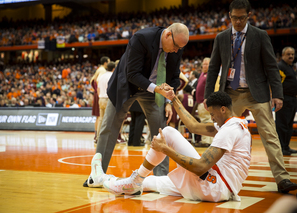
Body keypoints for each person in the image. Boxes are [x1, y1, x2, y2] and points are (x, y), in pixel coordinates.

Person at [203, 0, 297, 193]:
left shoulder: (260, 36)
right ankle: (208, 172)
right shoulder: (221, 38)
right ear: (229, 16)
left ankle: (282, 179)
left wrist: (277, 94)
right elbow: (213, 68)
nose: (238, 22)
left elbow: (271, 66)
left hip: (257, 93)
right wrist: (208, 96)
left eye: (242, 18)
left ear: (249, 16)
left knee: (270, 136)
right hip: (230, 94)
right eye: (234, 18)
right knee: (221, 134)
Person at [90, 91, 251, 202]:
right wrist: (174, 99)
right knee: (150, 182)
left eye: (213, 114)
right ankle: (102, 178)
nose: (212, 118)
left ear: (223, 109)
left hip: (214, 186)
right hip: (220, 188)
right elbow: (193, 126)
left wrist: (165, 149)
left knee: (167, 132)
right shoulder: (235, 125)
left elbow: (201, 167)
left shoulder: (230, 130)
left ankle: (135, 179)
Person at [84, 23, 190, 187]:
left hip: (154, 91)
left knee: (161, 131)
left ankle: (161, 179)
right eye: (176, 46)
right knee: (109, 127)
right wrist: (157, 90)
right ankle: (97, 174)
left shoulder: (178, 46)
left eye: (180, 48)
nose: (177, 50)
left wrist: (168, 100)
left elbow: (175, 77)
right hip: (126, 86)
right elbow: (132, 74)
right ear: (168, 35)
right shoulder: (142, 38)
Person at [276, 47, 297, 156]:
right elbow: (276, 83)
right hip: (283, 99)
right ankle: (281, 147)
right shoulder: (280, 67)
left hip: (292, 99)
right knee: (282, 124)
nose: (291, 56)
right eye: (288, 54)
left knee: (289, 125)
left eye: (292, 54)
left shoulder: (290, 67)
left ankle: (286, 146)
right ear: (283, 55)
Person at [90, 56, 110, 143]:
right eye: (108, 62)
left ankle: (96, 135)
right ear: (105, 62)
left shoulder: (99, 69)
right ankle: (98, 135)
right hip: (100, 95)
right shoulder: (103, 70)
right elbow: (99, 81)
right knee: (100, 116)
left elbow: (92, 81)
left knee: (99, 116)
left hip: (98, 94)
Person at [195, 57, 213, 147]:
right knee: (204, 121)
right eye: (204, 64)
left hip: (205, 102)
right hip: (200, 102)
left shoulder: (211, 75)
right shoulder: (202, 74)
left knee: (207, 121)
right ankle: (206, 140)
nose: (204, 66)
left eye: (206, 64)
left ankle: (207, 141)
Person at [96, 61, 116, 140]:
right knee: (109, 119)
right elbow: (111, 89)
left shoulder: (102, 76)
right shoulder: (112, 76)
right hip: (108, 99)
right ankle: (108, 138)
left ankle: (98, 137)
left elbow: (98, 89)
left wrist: (100, 97)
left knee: (101, 119)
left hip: (101, 99)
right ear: (114, 69)